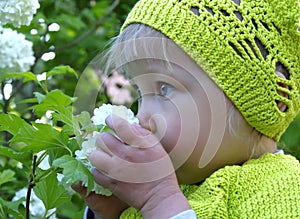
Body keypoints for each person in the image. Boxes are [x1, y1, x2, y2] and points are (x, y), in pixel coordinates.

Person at [72, 0, 300, 218]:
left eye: (164, 89)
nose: (142, 118)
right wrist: (112, 213)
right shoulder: (163, 191)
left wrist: (159, 202)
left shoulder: (284, 189)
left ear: (267, 97)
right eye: (140, 94)